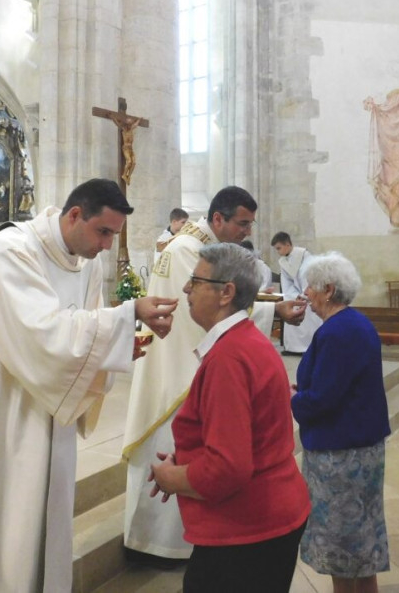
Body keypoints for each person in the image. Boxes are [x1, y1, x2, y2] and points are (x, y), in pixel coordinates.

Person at [0, 179, 178, 593]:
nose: (107, 245)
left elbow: (83, 333)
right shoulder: (11, 250)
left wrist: (113, 347)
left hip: (53, 406)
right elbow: (41, 332)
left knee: (40, 521)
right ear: (74, 215)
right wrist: (127, 314)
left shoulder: (88, 264)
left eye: (113, 235)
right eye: (103, 232)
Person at [123, 185, 307, 562]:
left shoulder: (196, 247)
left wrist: (272, 311)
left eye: (250, 225)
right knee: (175, 442)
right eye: (242, 223)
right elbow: (211, 309)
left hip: (183, 360)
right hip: (179, 366)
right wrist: (274, 311)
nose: (247, 232)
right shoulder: (188, 250)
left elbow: (224, 302)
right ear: (218, 219)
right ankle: (158, 546)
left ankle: (175, 543)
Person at [150, 243, 310, 593]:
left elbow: (228, 468)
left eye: (196, 281)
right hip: (270, 514)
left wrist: (172, 478)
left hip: (245, 529)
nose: (186, 288)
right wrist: (188, 460)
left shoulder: (229, 358)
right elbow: (246, 436)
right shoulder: (247, 340)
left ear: (226, 293)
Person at [290, 251, 391, 593]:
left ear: (329, 290)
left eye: (311, 287)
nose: (307, 294)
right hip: (359, 446)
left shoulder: (337, 332)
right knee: (359, 547)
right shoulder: (355, 323)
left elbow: (323, 399)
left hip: (341, 455)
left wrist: (292, 399)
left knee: (344, 548)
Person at [271, 231, 322, 354]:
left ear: (287, 244)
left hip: (309, 293)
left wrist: (305, 294)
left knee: (309, 314)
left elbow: (309, 276)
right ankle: (293, 348)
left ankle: (310, 347)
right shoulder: (283, 261)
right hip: (296, 295)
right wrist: (294, 296)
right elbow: (286, 282)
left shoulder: (305, 255)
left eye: (279, 248)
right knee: (291, 311)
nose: (278, 252)